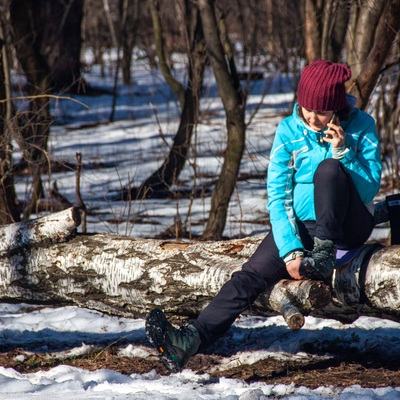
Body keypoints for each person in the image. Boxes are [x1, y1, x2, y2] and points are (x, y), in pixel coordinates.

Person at [145, 59, 382, 373]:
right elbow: (278, 194)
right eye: (307, 108)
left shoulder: (361, 126)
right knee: (249, 276)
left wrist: (343, 151)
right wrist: (291, 250)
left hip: (347, 226)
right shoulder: (288, 130)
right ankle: (189, 340)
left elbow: (368, 189)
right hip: (303, 228)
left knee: (329, 170)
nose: (313, 117)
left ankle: (323, 255)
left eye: (322, 112)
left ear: (337, 107)